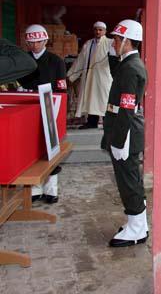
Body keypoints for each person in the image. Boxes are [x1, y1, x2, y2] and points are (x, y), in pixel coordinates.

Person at [101, 19, 148, 247]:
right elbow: (115, 71)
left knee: (128, 181)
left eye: (117, 39)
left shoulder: (131, 68)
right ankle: (136, 222)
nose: (114, 42)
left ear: (126, 41)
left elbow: (127, 107)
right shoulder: (129, 63)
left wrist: (119, 140)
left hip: (125, 131)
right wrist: (112, 53)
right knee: (130, 179)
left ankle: (137, 229)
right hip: (124, 128)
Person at [18, 24, 67, 204]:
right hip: (28, 111)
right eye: (31, 43)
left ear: (45, 40)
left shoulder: (56, 61)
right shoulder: (23, 61)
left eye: (38, 42)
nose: (34, 46)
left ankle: (51, 190)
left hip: (50, 110)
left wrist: (59, 114)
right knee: (31, 150)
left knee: (50, 150)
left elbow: (62, 90)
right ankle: (34, 189)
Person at [67, 21, 113, 129]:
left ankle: (108, 123)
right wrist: (71, 75)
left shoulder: (110, 43)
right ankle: (92, 122)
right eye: (96, 29)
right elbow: (80, 60)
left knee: (105, 99)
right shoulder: (88, 44)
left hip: (104, 77)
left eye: (100, 30)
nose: (98, 32)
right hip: (90, 76)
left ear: (105, 31)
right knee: (91, 99)